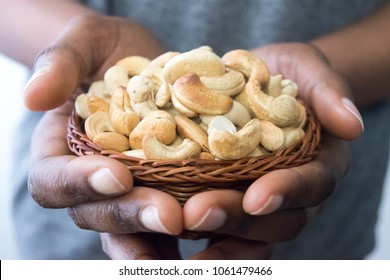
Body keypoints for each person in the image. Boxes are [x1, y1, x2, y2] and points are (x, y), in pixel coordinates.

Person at [1, 0, 389, 259]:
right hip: (69, 238)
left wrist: (326, 77)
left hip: (321, 238)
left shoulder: (251, 98)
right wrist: (75, 43)